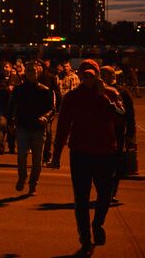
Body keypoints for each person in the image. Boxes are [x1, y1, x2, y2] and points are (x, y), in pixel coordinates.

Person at [49, 59, 125, 257]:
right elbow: (63, 127)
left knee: (105, 194)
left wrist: (103, 97)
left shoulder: (110, 93)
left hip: (105, 152)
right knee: (81, 198)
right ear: (80, 76)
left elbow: (120, 117)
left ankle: (98, 223)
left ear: (98, 75)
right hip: (81, 153)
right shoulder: (72, 97)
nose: (87, 78)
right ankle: (84, 235)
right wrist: (56, 155)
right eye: (84, 75)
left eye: (91, 74)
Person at [7, 61, 54, 196]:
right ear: (25, 73)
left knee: (37, 160)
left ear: (38, 72)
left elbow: (51, 109)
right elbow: (11, 106)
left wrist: (45, 117)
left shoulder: (44, 90)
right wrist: (10, 123)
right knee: (21, 155)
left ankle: (33, 184)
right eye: (28, 71)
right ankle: (22, 176)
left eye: (33, 71)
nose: (30, 73)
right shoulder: (19, 89)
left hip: (38, 128)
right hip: (22, 126)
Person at [100, 65, 137, 201]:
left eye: (103, 75)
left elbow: (130, 116)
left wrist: (130, 135)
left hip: (117, 133)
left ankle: (111, 191)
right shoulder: (101, 90)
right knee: (104, 163)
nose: (101, 78)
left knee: (114, 163)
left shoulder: (122, 92)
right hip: (104, 132)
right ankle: (107, 190)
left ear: (111, 76)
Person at [0, 62, 20, 154]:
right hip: (1, 107)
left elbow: (19, 89)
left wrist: (14, 89)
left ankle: (11, 146)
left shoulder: (15, 78)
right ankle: (0, 146)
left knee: (11, 127)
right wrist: (5, 89)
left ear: (11, 68)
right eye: (4, 67)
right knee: (2, 126)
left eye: (7, 67)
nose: (5, 68)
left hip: (12, 108)